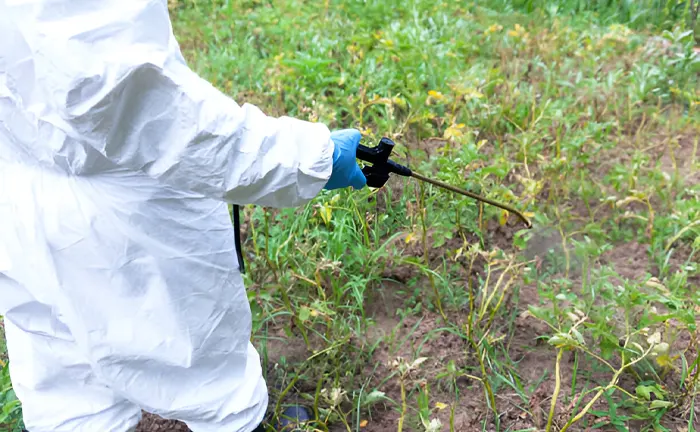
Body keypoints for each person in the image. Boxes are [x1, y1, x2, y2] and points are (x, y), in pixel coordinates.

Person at [0, 0, 367, 431]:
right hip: (128, 208)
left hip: (14, 188)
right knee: (207, 371)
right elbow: (140, 107)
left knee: (66, 382)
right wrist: (309, 158)